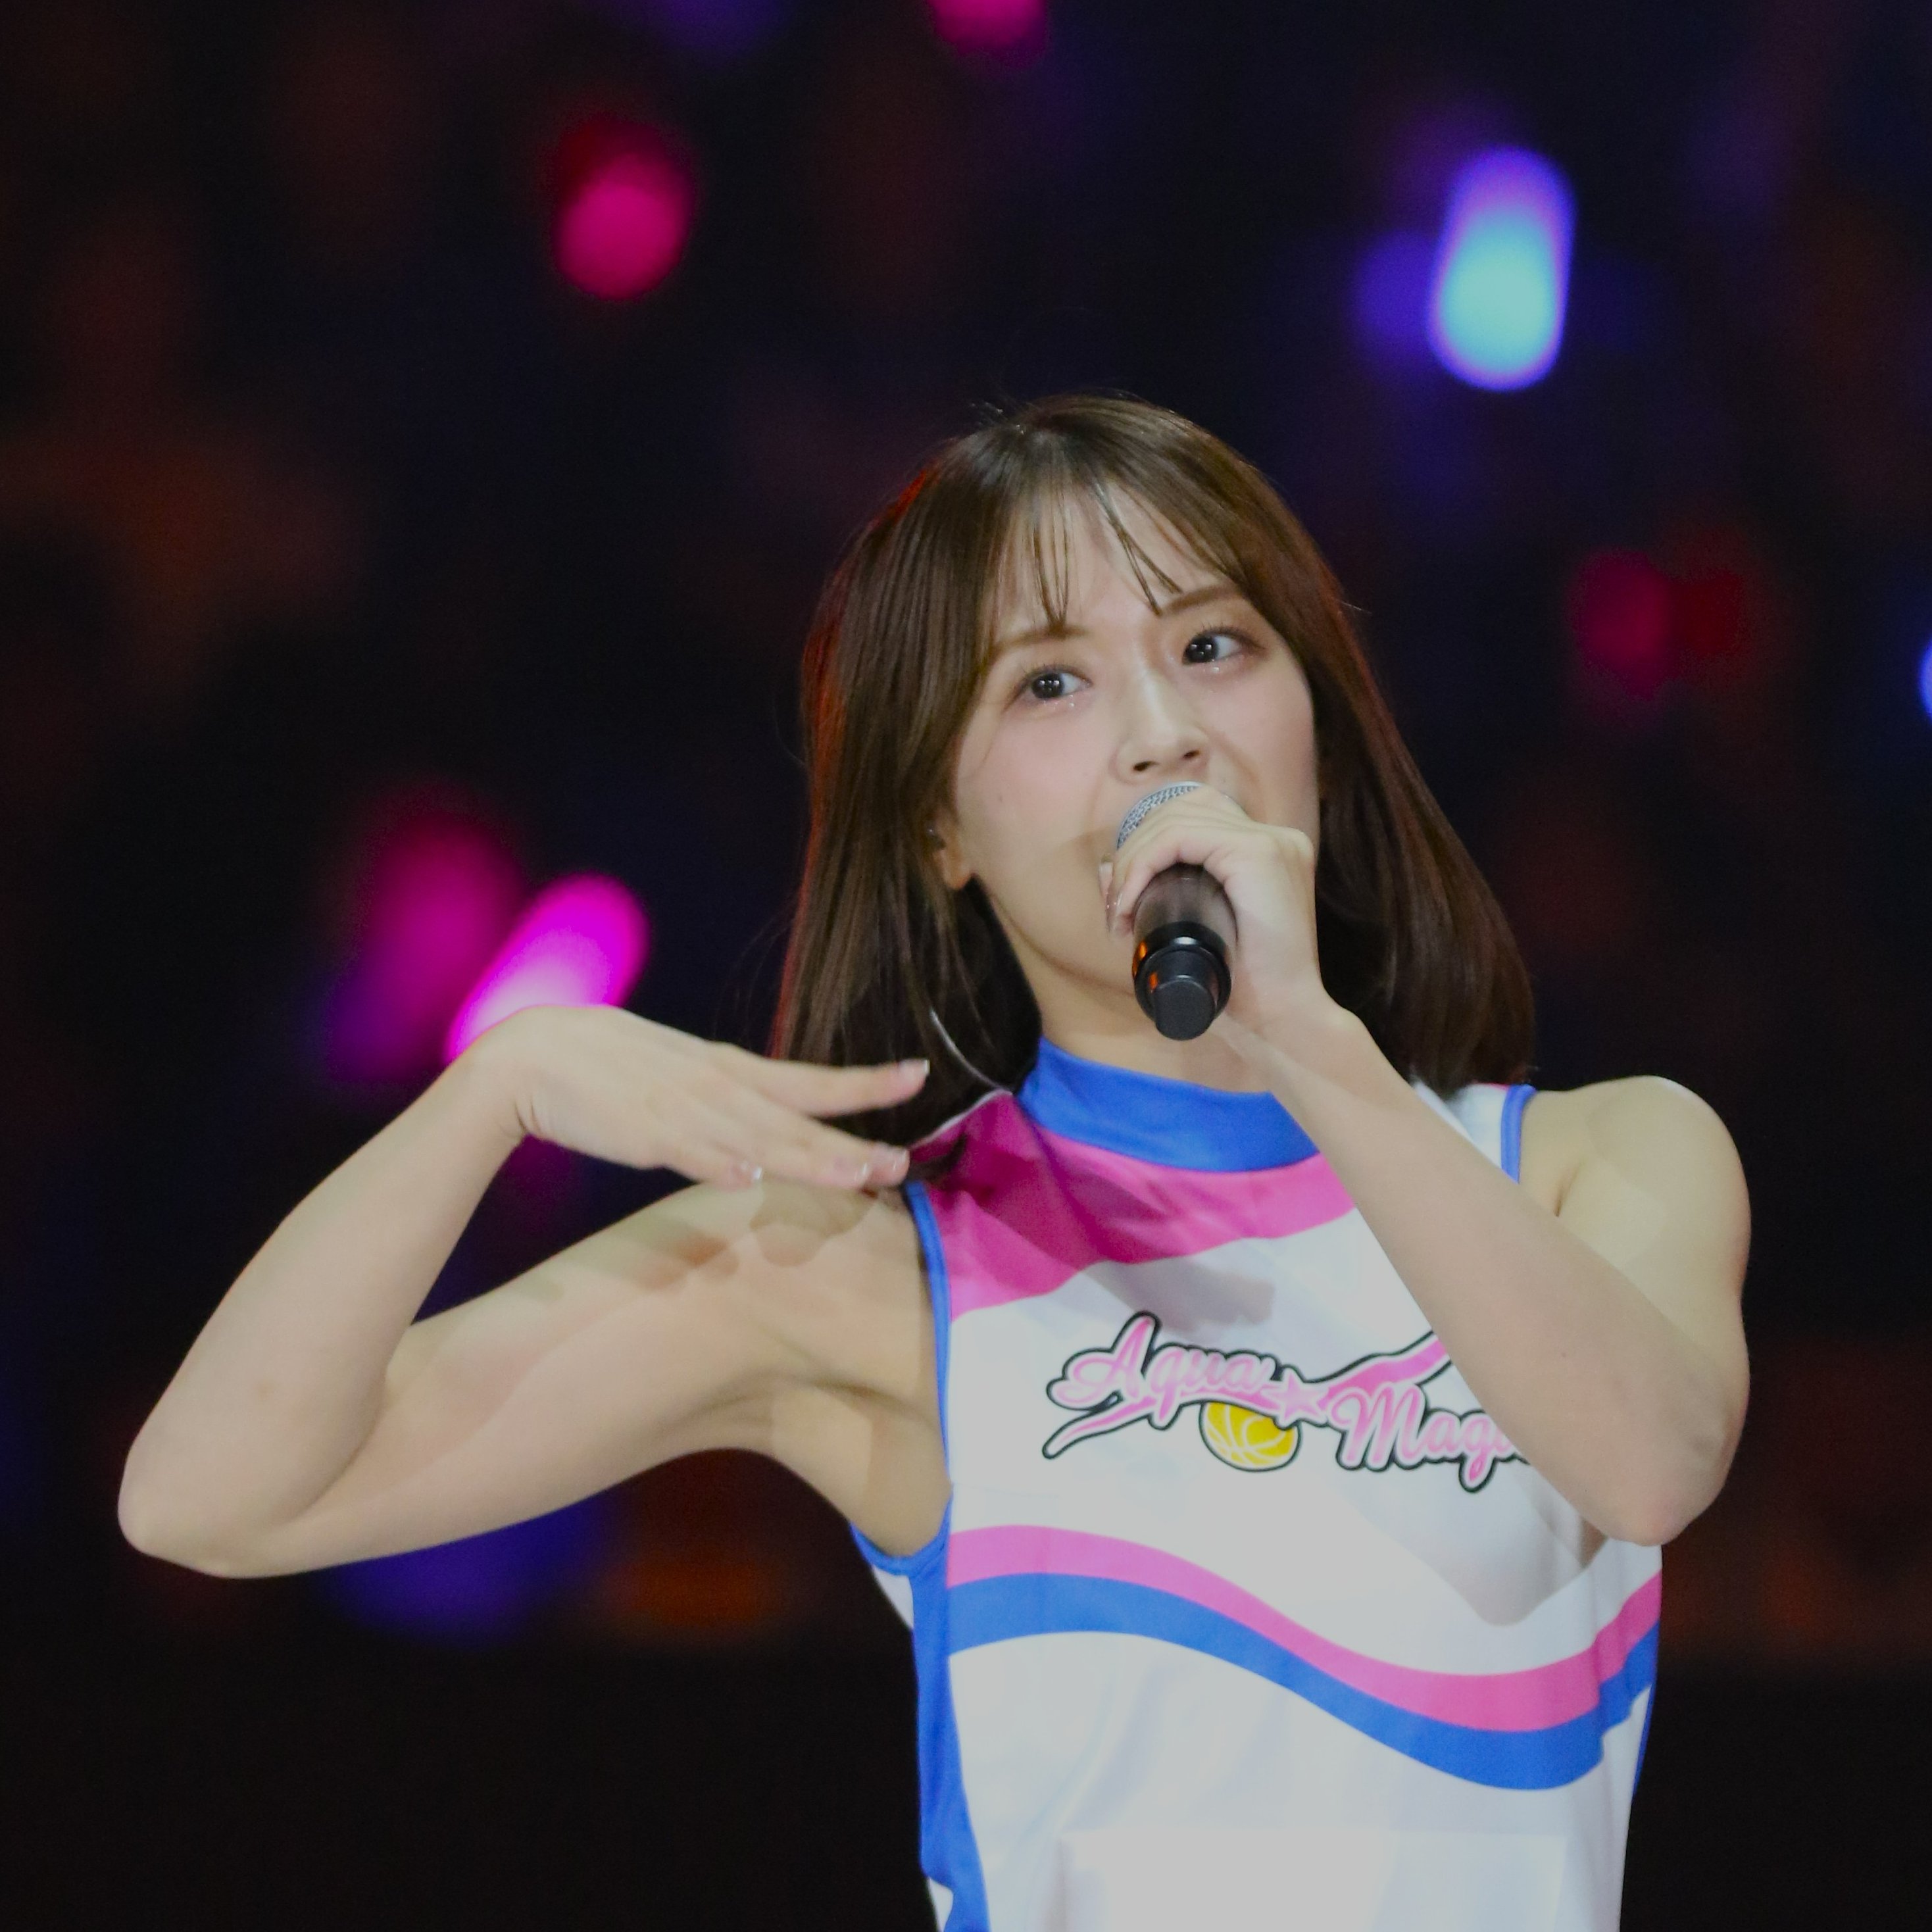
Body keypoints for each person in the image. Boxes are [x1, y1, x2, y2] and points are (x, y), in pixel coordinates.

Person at [119, 395, 1750, 1932]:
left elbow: (1647, 1461)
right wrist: (497, 1086)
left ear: (1317, 721)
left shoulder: (1595, 1160)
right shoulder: (872, 1267)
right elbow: (209, 1496)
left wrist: (1307, 1044)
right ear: (939, 830)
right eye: (1049, 681)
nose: (1162, 732)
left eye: (1211, 645)